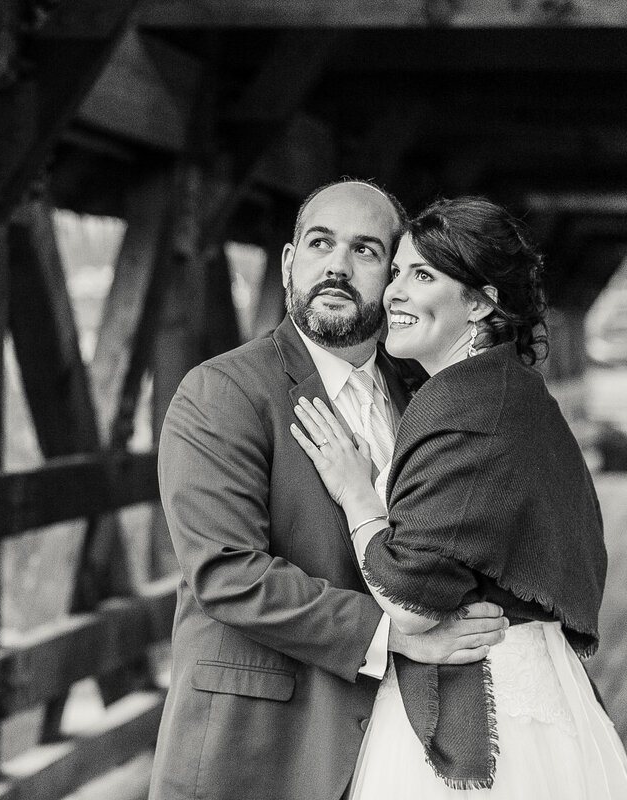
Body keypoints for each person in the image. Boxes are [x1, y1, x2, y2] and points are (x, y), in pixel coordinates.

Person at [148, 180, 509, 800]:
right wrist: (399, 636)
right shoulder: (221, 394)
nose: (338, 266)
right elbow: (227, 574)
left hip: (393, 750)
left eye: (366, 251)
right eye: (321, 244)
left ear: (395, 278)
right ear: (290, 263)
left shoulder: (422, 397)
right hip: (258, 751)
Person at [290, 196, 627, 798]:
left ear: (481, 302)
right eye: (396, 272)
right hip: (525, 686)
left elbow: (410, 600)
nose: (394, 292)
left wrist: (356, 494)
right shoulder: (503, 392)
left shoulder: (472, 408)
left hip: (485, 706)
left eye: (422, 276)